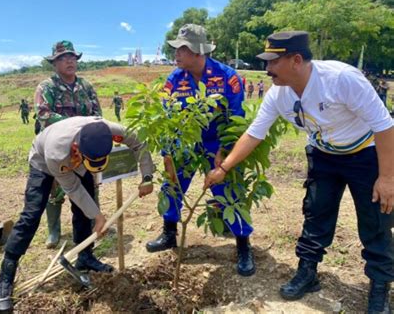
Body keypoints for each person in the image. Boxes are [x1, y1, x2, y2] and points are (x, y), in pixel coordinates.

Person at [204, 31, 394, 313]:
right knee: (315, 213)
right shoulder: (278, 94)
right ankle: (307, 272)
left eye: (272, 62)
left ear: (295, 60)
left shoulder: (341, 80)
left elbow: (384, 125)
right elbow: (254, 133)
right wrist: (224, 167)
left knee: (374, 221)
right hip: (323, 155)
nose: (266, 69)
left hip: (364, 154)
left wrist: (387, 177)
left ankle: (379, 289)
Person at [0, 116, 154, 313]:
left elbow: (139, 143)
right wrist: (97, 215)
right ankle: (5, 276)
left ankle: (85, 256)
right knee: (32, 214)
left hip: (79, 159)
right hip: (43, 161)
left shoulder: (109, 129)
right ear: (78, 148)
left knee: (84, 210)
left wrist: (147, 176)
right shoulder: (56, 154)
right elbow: (73, 189)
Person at [145, 24, 255, 277]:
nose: (176, 54)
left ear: (197, 51)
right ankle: (169, 233)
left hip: (217, 142)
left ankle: (243, 246)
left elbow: (235, 117)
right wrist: (168, 155)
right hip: (184, 143)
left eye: (182, 49)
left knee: (228, 190)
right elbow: (167, 121)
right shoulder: (174, 79)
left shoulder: (227, 77)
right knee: (172, 185)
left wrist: (225, 151)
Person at [35, 40, 102, 248]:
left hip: (83, 149)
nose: (69, 61)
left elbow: (98, 115)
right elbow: (44, 115)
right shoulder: (47, 87)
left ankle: (92, 224)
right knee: (55, 191)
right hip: (57, 148)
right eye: (63, 58)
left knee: (88, 187)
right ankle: (53, 230)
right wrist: (74, 126)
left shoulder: (86, 86)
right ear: (54, 63)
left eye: (72, 57)